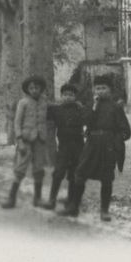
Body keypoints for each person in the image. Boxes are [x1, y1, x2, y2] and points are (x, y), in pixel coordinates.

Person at [59, 74, 131, 221]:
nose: (100, 91)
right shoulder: (90, 105)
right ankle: (74, 206)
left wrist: (115, 139)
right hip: (92, 144)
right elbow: (86, 121)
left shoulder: (116, 107)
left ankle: (104, 210)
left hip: (108, 147)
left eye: (104, 88)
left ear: (110, 90)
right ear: (93, 90)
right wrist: (93, 106)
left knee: (106, 179)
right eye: (97, 88)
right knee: (80, 174)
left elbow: (126, 131)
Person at [1, 75, 51, 209]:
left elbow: (53, 112)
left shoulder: (44, 101)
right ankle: (11, 198)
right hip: (26, 139)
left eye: (37, 88)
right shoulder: (23, 103)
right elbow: (17, 123)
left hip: (40, 139)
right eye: (31, 88)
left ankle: (38, 198)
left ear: (41, 89)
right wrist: (19, 140)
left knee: (39, 169)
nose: (34, 90)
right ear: (28, 90)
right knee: (20, 169)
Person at [43, 82, 87, 210]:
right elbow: (44, 112)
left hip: (78, 147)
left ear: (75, 97)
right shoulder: (56, 110)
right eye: (65, 95)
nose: (68, 97)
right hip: (63, 147)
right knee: (58, 173)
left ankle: (71, 199)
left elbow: (87, 119)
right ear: (61, 96)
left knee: (74, 174)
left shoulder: (80, 109)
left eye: (71, 95)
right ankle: (52, 199)